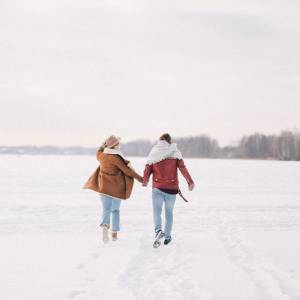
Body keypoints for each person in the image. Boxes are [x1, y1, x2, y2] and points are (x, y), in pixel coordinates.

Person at [83, 135, 143, 243]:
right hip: (116, 188)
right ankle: (114, 234)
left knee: (106, 209)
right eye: (118, 143)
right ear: (115, 145)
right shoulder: (116, 158)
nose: (119, 145)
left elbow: (99, 149)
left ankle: (105, 226)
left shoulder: (101, 155)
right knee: (115, 210)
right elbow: (127, 171)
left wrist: (104, 143)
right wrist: (140, 178)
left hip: (103, 188)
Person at [142, 133, 194, 246]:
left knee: (157, 211)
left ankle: (158, 231)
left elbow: (148, 167)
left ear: (159, 140)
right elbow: (182, 168)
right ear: (169, 141)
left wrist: (145, 180)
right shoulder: (175, 151)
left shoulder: (154, 151)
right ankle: (168, 236)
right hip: (172, 189)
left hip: (157, 188)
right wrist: (190, 182)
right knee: (169, 213)